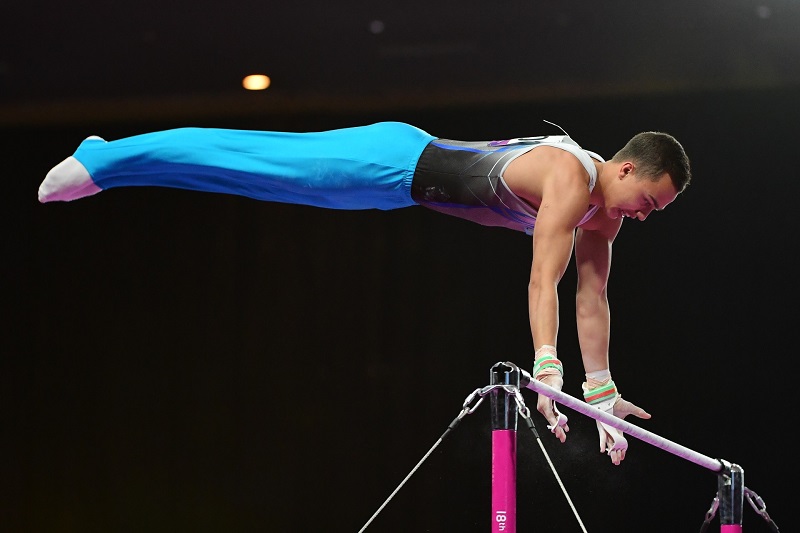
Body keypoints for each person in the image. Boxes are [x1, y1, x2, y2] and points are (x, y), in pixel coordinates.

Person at [38, 121, 691, 465]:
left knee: (250, 180)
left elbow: (591, 294)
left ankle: (117, 160)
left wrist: (600, 390)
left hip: (391, 191)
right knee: (249, 162)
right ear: (627, 167)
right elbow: (542, 275)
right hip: (391, 161)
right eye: (649, 201)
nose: (644, 214)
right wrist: (548, 364)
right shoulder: (571, 176)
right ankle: (104, 157)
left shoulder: (605, 217)